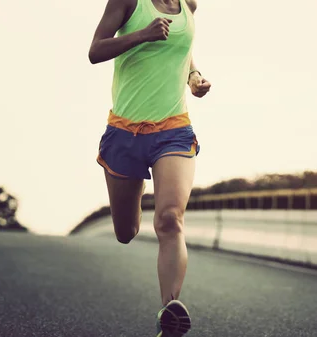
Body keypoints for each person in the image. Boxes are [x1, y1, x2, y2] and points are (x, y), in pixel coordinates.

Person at [88, 0, 210, 335]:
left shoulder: (188, 6)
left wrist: (194, 77)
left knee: (170, 219)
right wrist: (142, 34)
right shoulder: (127, 2)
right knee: (126, 233)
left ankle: (169, 314)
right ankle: (136, 194)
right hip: (123, 133)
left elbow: (182, 52)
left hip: (173, 130)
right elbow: (95, 51)